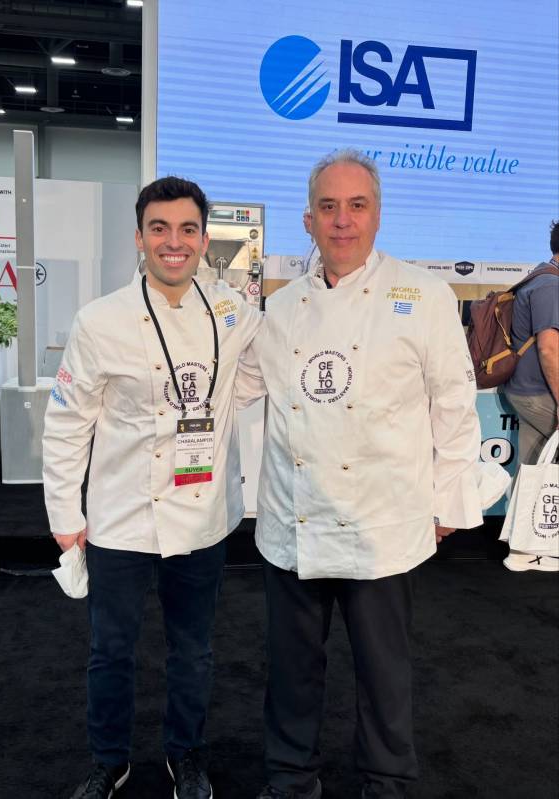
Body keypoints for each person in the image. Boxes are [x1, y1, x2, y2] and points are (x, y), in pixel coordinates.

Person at [237, 148, 486, 799]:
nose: (342, 220)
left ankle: (387, 783)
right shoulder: (281, 309)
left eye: (356, 205)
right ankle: (291, 780)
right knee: (291, 672)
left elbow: (453, 401)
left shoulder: (423, 295)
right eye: (328, 207)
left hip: (383, 519)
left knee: (384, 673)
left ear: (377, 215)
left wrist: (449, 501)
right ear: (308, 220)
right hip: (294, 519)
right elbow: (237, 387)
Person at [43, 176, 261, 799]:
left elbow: (255, 372)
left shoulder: (231, 313)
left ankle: (185, 755)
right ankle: (108, 761)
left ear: (204, 240)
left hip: (202, 516)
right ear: (139, 238)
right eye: (159, 229)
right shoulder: (100, 321)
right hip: (121, 516)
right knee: (111, 650)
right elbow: (68, 424)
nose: (174, 242)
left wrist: (220, 408)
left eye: (188, 229)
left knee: (193, 651)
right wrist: (64, 513)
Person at [503, 220, 559, 572]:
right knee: (535, 469)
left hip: (527, 391)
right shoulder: (551, 285)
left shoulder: (540, 276)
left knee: (532, 468)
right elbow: (549, 349)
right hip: (539, 394)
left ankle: (523, 550)